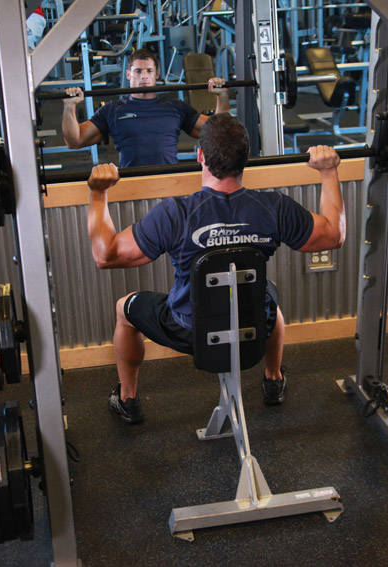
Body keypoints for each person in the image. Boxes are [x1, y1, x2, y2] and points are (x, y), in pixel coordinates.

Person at [85, 114, 345, 424]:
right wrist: (329, 171)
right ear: (245, 159)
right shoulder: (274, 207)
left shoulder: (175, 213)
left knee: (124, 310)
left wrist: (98, 193)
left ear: (200, 156)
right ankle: (273, 378)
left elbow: (106, 254)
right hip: (252, 330)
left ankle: (127, 399)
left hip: (189, 331)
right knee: (267, 296)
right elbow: (334, 235)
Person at [62, 48, 231, 167]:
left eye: (149, 71)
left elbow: (219, 133)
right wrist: (69, 107)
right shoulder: (113, 110)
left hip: (170, 184)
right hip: (133, 186)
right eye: (138, 71)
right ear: (128, 74)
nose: (144, 76)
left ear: (156, 74)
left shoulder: (175, 108)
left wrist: (222, 97)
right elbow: (74, 141)